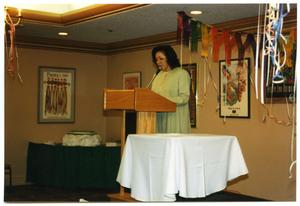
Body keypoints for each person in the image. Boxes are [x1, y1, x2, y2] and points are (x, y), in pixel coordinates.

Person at [150, 45, 191, 133]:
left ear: (169, 58)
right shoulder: (157, 76)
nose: (158, 62)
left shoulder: (181, 74)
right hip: (159, 118)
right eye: (156, 59)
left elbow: (184, 98)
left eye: (161, 59)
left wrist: (165, 100)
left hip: (175, 117)